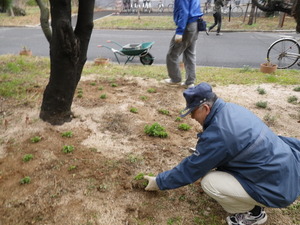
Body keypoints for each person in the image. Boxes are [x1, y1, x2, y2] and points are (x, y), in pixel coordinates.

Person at [144, 82, 300, 225]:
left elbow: (191, 169)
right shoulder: (231, 108)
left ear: (205, 108)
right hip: (287, 171)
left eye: (193, 112)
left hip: (279, 189)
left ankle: (254, 214)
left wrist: (159, 182)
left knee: (210, 182)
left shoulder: (219, 134)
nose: (191, 117)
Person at [163, 0, 203, 89]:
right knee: (190, 54)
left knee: (172, 54)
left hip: (186, 26)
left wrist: (180, 31)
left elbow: (183, 11)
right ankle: (190, 82)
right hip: (195, 25)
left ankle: (175, 79)